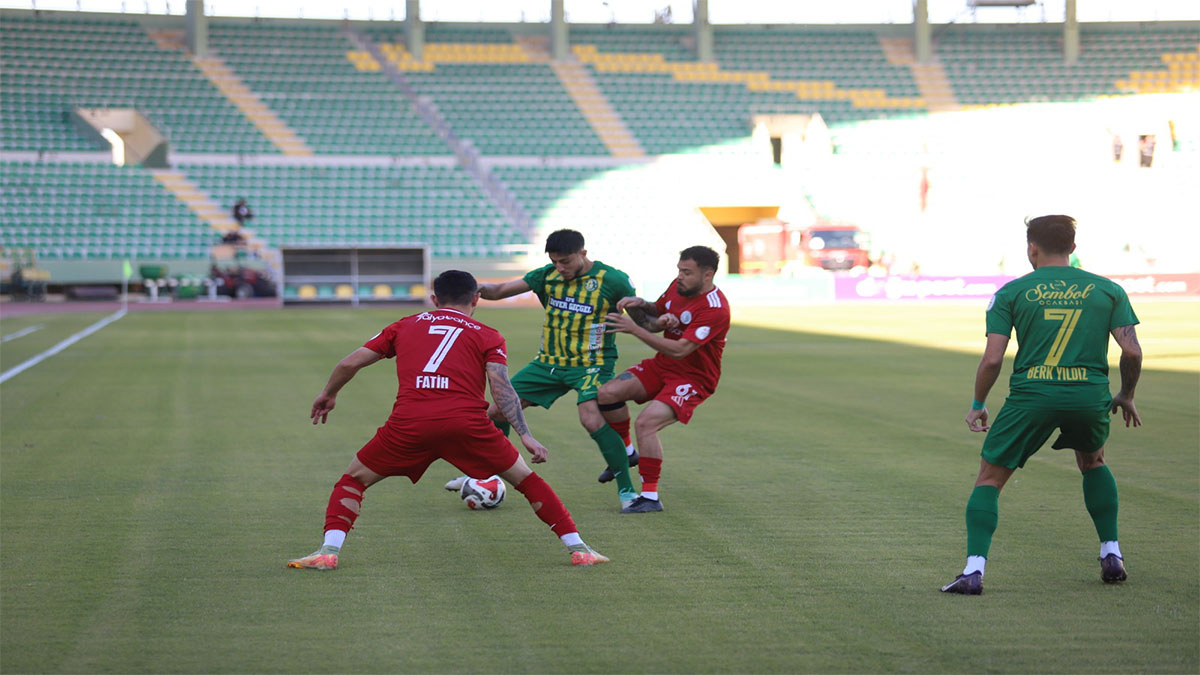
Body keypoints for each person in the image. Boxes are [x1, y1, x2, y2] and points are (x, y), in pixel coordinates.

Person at [288, 270, 609, 570]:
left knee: (354, 480)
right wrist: (525, 435)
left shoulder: (404, 325)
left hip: (409, 423)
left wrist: (329, 394)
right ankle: (578, 548)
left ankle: (329, 552)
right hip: (468, 425)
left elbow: (349, 363)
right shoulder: (489, 335)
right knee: (527, 481)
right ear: (476, 299)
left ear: (434, 299)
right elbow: (502, 387)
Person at [940, 215, 1142, 595]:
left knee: (989, 478)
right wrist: (1126, 394)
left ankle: (973, 571)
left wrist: (978, 403)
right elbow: (1130, 350)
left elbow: (993, 360)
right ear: (1073, 248)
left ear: (1031, 247)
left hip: (1032, 396)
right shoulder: (1107, 290)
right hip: (1088, 394)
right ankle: (1111, 553)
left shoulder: (1012, 292)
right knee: (1093, 461)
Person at [451, 229, 641, 509]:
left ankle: (628, 493)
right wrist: (469, 288)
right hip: (548, 362)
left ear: (583, 254)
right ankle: (486, 476)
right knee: (496, 410)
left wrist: (659, 318)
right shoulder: (547, 275)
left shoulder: (613, 280)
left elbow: (642, 318)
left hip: (592, 364)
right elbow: (501, 291)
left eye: (565, 261)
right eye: (555, 262)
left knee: (590, 417)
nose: (560, 268)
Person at [598, 245, 730, 514]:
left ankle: (650, 496)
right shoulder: (678, 286)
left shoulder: (715, 309)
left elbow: (681, 349)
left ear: (708, 275)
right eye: (679, 270)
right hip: (662, 366)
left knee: (646, 423)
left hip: (693, 378)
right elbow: (658, 311)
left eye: (687, 272)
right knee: (606, 394)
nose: (680, 276)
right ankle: (627, 452)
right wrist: (640, 304)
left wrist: (633, 329)